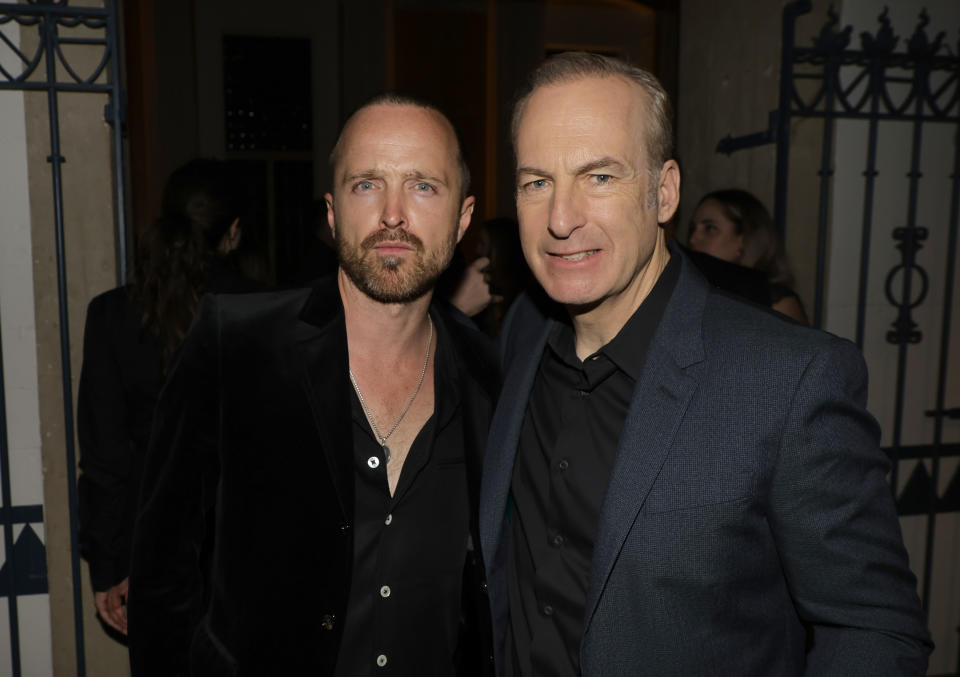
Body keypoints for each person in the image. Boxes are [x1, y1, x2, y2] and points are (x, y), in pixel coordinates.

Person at [478, 52, 931, 676]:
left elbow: (874, 632)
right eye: (537, 182)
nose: (561, 218)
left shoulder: (789, 379)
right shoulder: (523, 331)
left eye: (599, 177)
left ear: (663, 192)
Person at [128, 94, 498, 676]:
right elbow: (161, 576)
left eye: (423, 186)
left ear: (463, 217)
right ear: (332, 213)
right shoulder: (235, 343)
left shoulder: (489, 374)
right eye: (366, 185)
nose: (393, 213)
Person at [77, 158, 259, 638]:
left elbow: (105, 457)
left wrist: (108, 564)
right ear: (233, 231)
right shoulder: (268, 310)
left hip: (152, 545)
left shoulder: (112, 315)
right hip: (252, 550)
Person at [688, 188, 808, 323]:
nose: (693, 239)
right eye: (692, 229)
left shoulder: (777, 303)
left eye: (710, 228)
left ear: (744, 239)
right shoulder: (691, 291)